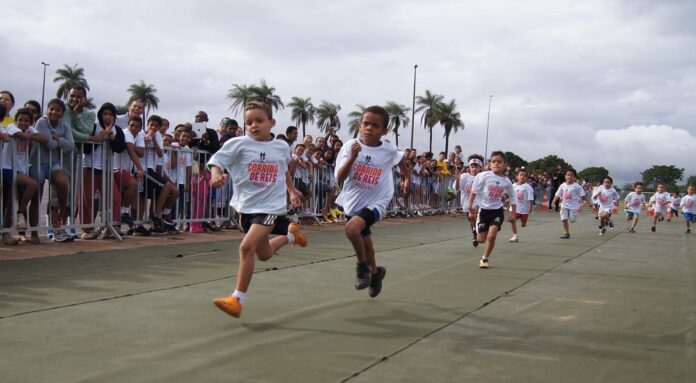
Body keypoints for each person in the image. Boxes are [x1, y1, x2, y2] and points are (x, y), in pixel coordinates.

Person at [207, 101, 307, 319]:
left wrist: (291, 192)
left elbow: (283, 171)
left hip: (270, 207)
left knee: (246, 248)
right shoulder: (238, 144)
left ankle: (237, 300)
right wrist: (216, 175)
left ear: (272, 122)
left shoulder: (281, 147)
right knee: (264, 254)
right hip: (246, 207)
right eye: (249, 122)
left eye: (259, 121)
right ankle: (291, 235)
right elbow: (217, 161)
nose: (253, 125)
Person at [335, 105, 411, 296]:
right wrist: (353, 156)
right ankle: (376, 273)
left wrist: (407, 179)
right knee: (365, 240)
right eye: (365, 124)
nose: (369, 128)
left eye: (375, 125)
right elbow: (340, 178)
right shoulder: (349, 146)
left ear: (384, 130)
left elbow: (402, 162)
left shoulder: (389, 149)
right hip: (353, 201)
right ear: (360, 125)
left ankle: (362, 267)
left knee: (352, 229)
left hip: (378, 200)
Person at [29, 98, 74, 242]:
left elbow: (70, 145)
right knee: (37, 198)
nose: (54, 112)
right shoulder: (42, 122)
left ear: (62, 113)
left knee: (62, 182)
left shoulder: (64, 126)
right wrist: (58, 140)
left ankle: (61, 212)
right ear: (47, 110)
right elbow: (49, 144)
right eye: (51, 109)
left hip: (54, 163)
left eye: (58, 110)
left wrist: (58, 139)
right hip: (38, 163)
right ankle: (34, 234)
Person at [468, 151, 517, 268]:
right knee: (481, 240)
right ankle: (475, 232)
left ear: (505, 165)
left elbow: (513, 197)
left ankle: (485, 258)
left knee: (492, 234)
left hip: (497, 211)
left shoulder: (507, 181)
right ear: (489, 163)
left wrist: (513, 212)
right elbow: (474, 192)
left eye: (499, 162)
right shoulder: (483, 176)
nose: (496, 164)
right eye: (493, 161)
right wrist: (470, 206)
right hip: (483, 211)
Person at [1, 108, 40, 245]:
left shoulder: (30, 129)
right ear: (16, 120)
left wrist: (31, 134)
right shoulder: (11, 126)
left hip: (20, 170)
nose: (23, 122)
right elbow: (21, 135)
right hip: (8, 168)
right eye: (20, 120)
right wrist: (29, 135)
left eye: (27, 121)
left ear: (31, 123)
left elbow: (43, 138)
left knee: (10, 202)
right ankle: (20, 213)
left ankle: (7, 232)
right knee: (33, 184)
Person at [551, 168, 592, 239]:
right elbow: (557, 194)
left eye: (571, 175)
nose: (569, 177)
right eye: (568, 175)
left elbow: (583, 196)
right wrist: (553, 201)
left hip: (573, 207)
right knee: (563, 219)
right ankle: (566, 233)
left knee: (572, 220)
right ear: (565, 176)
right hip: (564, 206)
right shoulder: (562, 185)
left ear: (575, 177)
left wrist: (589, 203)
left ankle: (571, 216)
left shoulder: (577, 186)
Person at [455, 154, 484, 247]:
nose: (474, 169)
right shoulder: (464, 176)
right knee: (471, 219)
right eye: (472, 167)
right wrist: (457, 179)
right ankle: (475, 232)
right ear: (469, 167)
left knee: (473, 216)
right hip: (466, 203)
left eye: (476, 167)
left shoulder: (483, 177)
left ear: (480, 168)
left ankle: (477, 232)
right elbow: (457, 189)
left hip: (478, 203)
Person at [509, 168, 534, 242]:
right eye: (521, 175)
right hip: (515, 208)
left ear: (526, 178)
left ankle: (523, 221)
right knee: (512, 220)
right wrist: (508, 199)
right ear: (517, 176)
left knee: (523, 225)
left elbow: (531, 198)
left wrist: (531, 207)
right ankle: (515, 236)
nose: (522, 177)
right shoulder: (513, 186)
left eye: (524, 176)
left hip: (524, 209)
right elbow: (510, 195)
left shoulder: (528, 187)